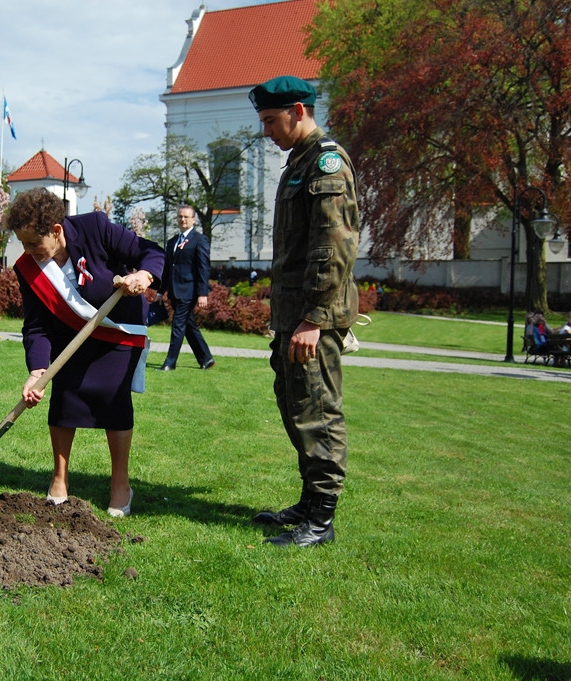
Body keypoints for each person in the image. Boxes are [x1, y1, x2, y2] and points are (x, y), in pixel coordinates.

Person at [249, 75, 359, 547]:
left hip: (314, 319)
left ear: (299, 110)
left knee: (318, 412)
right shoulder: (299, 162)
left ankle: (323, 520)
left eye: (272, 121)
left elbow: (334, 248)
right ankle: (310, 502)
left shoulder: (327, 164)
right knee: (295, 407)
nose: (266, 131)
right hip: (294, 316)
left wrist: (314, 320)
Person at [7, 187, 164, 517]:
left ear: (57, 231)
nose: (29, 251)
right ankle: (59, 479)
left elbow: (149, 251)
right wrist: (37, 370)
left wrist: (143, 274)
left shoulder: (96, 227)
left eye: (35, 242)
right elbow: (36, 326)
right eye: (23, 243)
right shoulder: (27, 269)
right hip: (70, 338)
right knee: (65, 399)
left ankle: (120, 483)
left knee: (114, 399)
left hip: (118, 333)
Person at [158, 204, 215, 371]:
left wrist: (202, 293)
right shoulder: (172, 242)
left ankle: (170, 362)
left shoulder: (200, 240)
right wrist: (161, 291)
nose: (183, 219)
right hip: (175, 291)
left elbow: (203, 268)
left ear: (193, 220)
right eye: (180, 217)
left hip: (188, 291)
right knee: (189, 325)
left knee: (178, 325)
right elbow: (168, 268)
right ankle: (206, 359)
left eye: (186, 217)